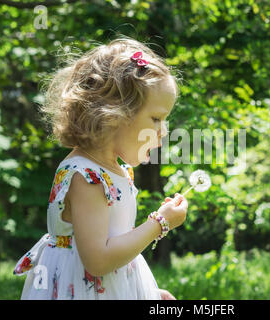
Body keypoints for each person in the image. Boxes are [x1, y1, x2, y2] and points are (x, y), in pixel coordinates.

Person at [13, 36, 188, 300]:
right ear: (115, 114)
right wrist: (159, 223)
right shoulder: (86, 176)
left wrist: (146, 291)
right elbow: (98, 261)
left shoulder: (116, 170)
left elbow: (117, 253)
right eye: (156, 118)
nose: (163, 131)